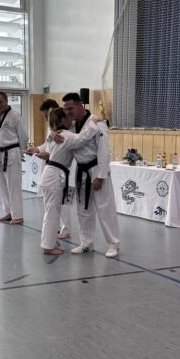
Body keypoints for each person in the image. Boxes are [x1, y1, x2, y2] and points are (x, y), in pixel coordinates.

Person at [27, 107, 103, 255]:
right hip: (54, 175)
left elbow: (47, 146)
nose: (71, 120)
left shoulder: (56, 135)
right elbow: (82, 138)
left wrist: (42, 143)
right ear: (62, 119)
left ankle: (48, 243)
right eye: (68, 117)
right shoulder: (65, 136)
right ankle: (48, 247)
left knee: (51, 211)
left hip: (51, 174)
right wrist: (93, 123)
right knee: (52, 212)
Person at [58, 92, 120, 258]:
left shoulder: (97, 123)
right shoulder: (71, 125)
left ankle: (113, 243)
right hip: (81, 170)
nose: (67, 112)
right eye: (65, 109)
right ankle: (86, 243)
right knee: (83, 209)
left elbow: (104, 151)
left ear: (80, 105)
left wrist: (100, 176)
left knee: (105, 208)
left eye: (70, 108)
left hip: (96, 168)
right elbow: (64, 137)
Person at [39, 98, 73, 239]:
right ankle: (55, 231)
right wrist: (38, 149)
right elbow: (48, 146)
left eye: (47, 115)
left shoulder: (70, 126)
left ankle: (65, 229)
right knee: (54, 205)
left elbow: (79, 139)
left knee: (63, 202)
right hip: (57, 169)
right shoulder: (53, 130)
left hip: (66, 168)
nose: (46, 118)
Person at [0, 91, 28, 225]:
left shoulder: (15, 115)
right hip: (0, 152)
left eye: (0, 101)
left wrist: (22, 152)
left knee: (14, 185)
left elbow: (23, 136)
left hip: (12, 152)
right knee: (3, 184)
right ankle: (9, 212)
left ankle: (18, 215)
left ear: (7, 100)